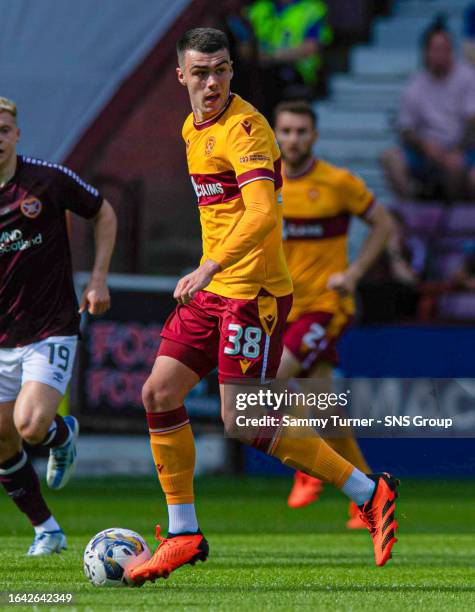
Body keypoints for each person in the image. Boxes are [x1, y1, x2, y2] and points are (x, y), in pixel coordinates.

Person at [130, 28, 399, 584]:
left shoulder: (246, 129)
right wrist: (210, 275)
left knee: (246, 421)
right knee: (158, 392)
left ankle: (368, 492)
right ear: (181, 75)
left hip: (252, 294)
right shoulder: (191, 127)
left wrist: (208, 265)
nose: (211, 82)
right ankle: (183, 533)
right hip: (214, 292)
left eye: (222, 70)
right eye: (200, 72)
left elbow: (261, 214)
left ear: (233, 70)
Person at [0, 97, 117, 555]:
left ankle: (60, 434)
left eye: (4, 128)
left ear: (17, 135)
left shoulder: (46, 179)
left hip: (50, 327)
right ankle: (46, 529)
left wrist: (99, 277)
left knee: (29, 427)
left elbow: (103, 211)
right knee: (1, 438)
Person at [274, 101, 393, 526]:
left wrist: (355, 272)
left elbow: (383, 222)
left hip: (324, 307)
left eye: (301, 131)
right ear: (276, 134)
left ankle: (307, 467)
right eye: (286, 131)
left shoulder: (337, 183)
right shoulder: (265, 184)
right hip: (280, 309)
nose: (293, 139)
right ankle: (367, 492)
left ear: (314, 136)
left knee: (277, 376)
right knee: (324, 405)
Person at [381, 22, 475, 200]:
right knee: (389, 158)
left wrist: (457, 152)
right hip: (426, 152)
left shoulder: (468, 77)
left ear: (451, 51)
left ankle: (461, 219)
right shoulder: (414, 85)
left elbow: (472, 122)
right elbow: (406, 129)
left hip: (465, 149)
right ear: (426, 52)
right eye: (435, 49)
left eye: (444, 49)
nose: (440, 54)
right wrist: (426, 147)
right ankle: (412, 212)